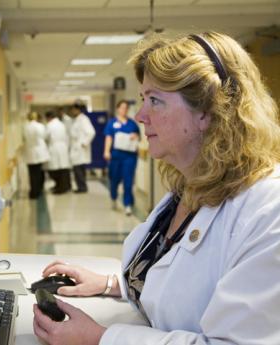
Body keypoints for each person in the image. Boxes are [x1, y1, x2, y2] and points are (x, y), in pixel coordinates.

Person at [33, 32, 280, 344]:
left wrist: (100, 339)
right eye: (142, 100)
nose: (140, 116)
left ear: (206, 111)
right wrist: (111, 284)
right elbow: (172, 279)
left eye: (155, 101)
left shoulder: (268, 211)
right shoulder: (187, 188)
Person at [103, 100, 140, 215]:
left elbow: (139, 136)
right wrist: (106, 151)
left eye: (126, 108)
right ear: (118, 109)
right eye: (122, 108)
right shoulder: (112, 123)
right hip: (116, 156)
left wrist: (136, 136)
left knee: (128, 181)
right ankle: (113, 197)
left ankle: (127, 204)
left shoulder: (132, 124)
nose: (124, 110)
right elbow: (108, 137)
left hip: (129, 156)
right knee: (114, 179)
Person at [69, 103, 96, 193]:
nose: (72, 111)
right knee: (78, 169)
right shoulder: (77, 119)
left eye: (73, 110)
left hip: (80, 147)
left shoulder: (83, 119)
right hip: (76, 147)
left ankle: (82, 187)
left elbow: (91, 132)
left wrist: (84, 143)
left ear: (78, 110)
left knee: (79, 170)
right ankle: (81, 187)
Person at [22, 111, 50, 199]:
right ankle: (38, 190)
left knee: (32, 173)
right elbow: (44, 137)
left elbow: (24, 138)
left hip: (30, 152)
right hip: (39, 152)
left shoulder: (25, 127)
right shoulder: (40, 126)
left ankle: (33, 192)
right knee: (39, 172)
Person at [45, 111, 71, 194]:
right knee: (63, 169)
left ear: (49, 118)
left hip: (54, 147)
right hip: (63, 147)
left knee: (55, 170)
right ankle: (64, 186)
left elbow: (46, 136)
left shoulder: (49, 125)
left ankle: (60, 188)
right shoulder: (61, 124)